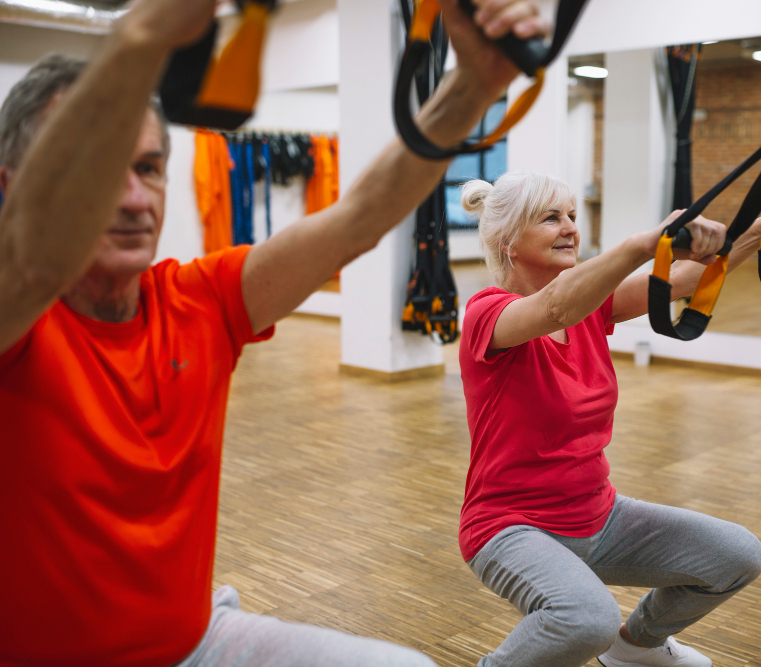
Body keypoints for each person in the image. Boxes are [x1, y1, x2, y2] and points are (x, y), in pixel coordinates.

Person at [0, 0, 549, 664]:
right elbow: (33, 256)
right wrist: (142, 39)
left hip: (197, 638)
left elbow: (360, 217)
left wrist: (473, 86)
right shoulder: (16, 318)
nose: (134, 198)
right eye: (98, 166)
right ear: (12, 187)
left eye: (146, 167)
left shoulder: (197, 301)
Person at [457, 171, 761, 667]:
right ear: (507, 241)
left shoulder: (590, 305)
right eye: (551, 218)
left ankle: (635, 649)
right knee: (585, 619)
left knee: (737, 557)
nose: (569, 227)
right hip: (509, 528)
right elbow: (553, 308)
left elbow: (688, 278)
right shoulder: (488, 315)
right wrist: (643, 243)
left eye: (571, 215)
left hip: (599, 516)